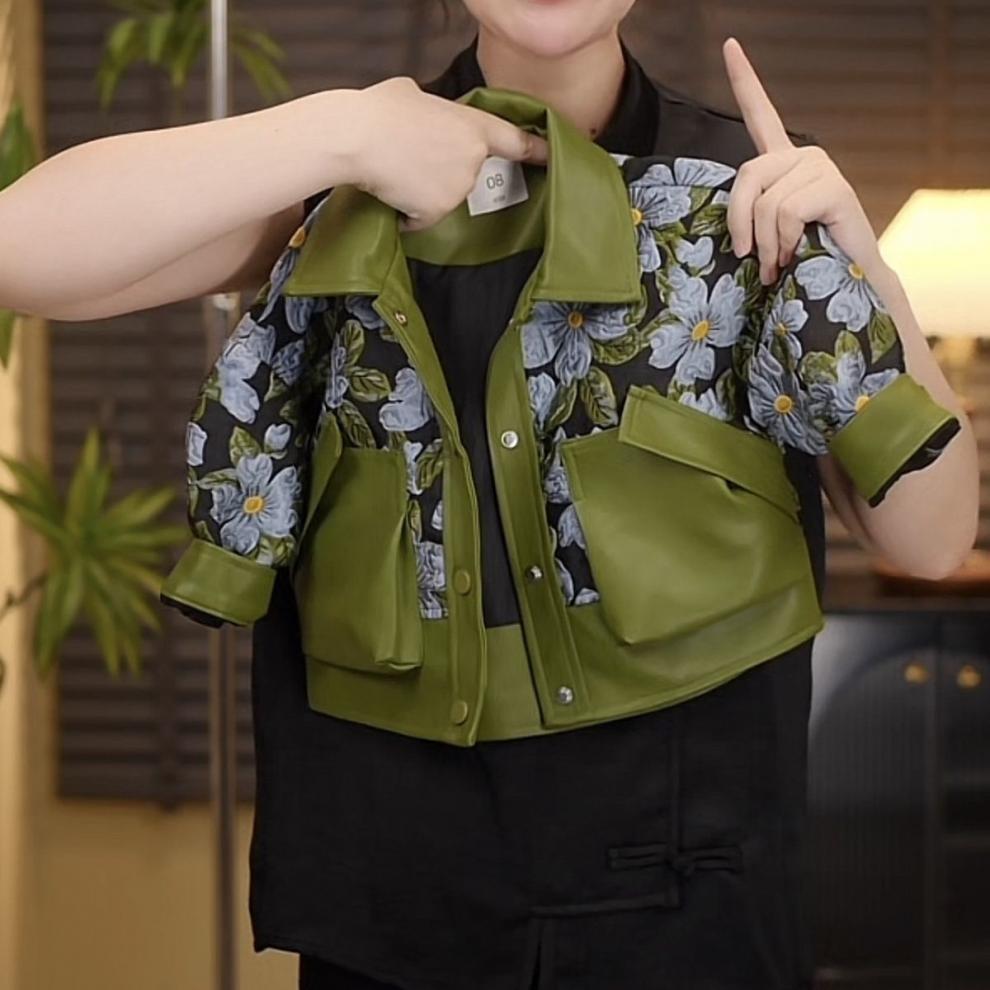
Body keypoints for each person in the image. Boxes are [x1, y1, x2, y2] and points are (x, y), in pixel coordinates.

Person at [1, 1, 977, 988]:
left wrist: (858, 261)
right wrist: (346, 129)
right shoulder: (342, 176)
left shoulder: (750, 184)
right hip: (393, 906)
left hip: (698, 905)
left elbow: (931, 543)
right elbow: (17, 250)